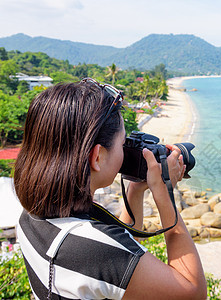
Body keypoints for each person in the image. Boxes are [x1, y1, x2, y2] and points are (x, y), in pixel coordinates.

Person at [14, 79, 207, 299]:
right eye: (122, 143)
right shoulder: (92, 249)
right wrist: (164, 193)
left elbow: (118, 247)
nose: (124, 151)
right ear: (97, 157)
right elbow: (193, 292)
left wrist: (136, 188)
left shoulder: (31, 216)